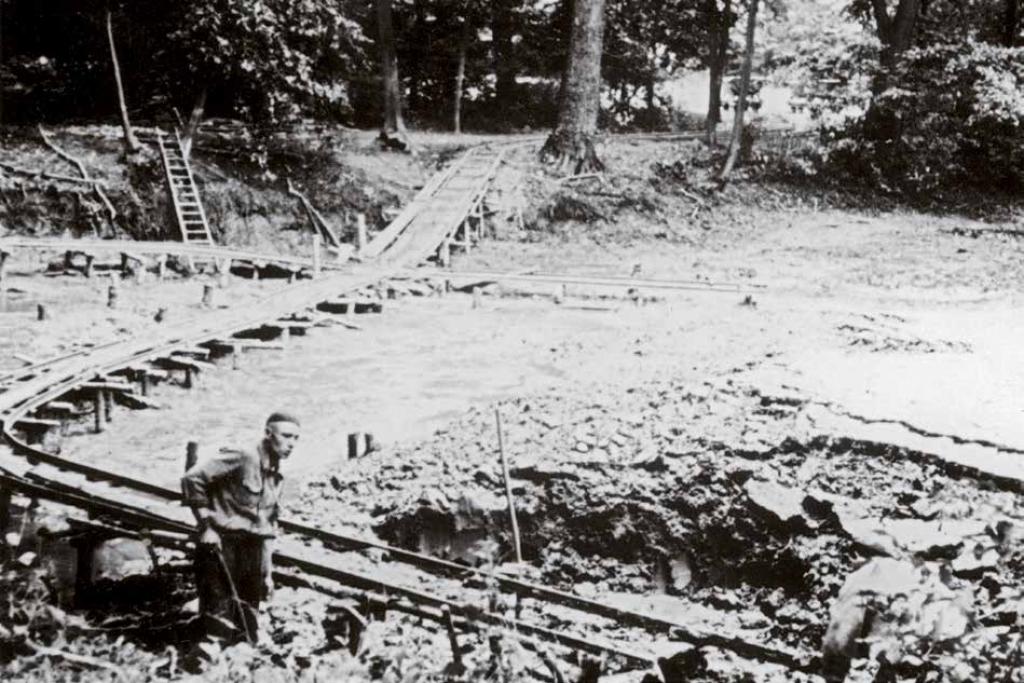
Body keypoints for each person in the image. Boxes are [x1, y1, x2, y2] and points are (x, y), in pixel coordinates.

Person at [181, 411, 300, 643]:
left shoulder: (277, 475)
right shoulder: (244, 455)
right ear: (268, 433)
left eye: (296, 438)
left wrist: (267, 574)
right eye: (286, 436)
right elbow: (192, 479)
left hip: (251, 550)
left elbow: (267, 528)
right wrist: (206, 526)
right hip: (220, 544)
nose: (291, 444)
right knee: (218, 617)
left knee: (248, 619)